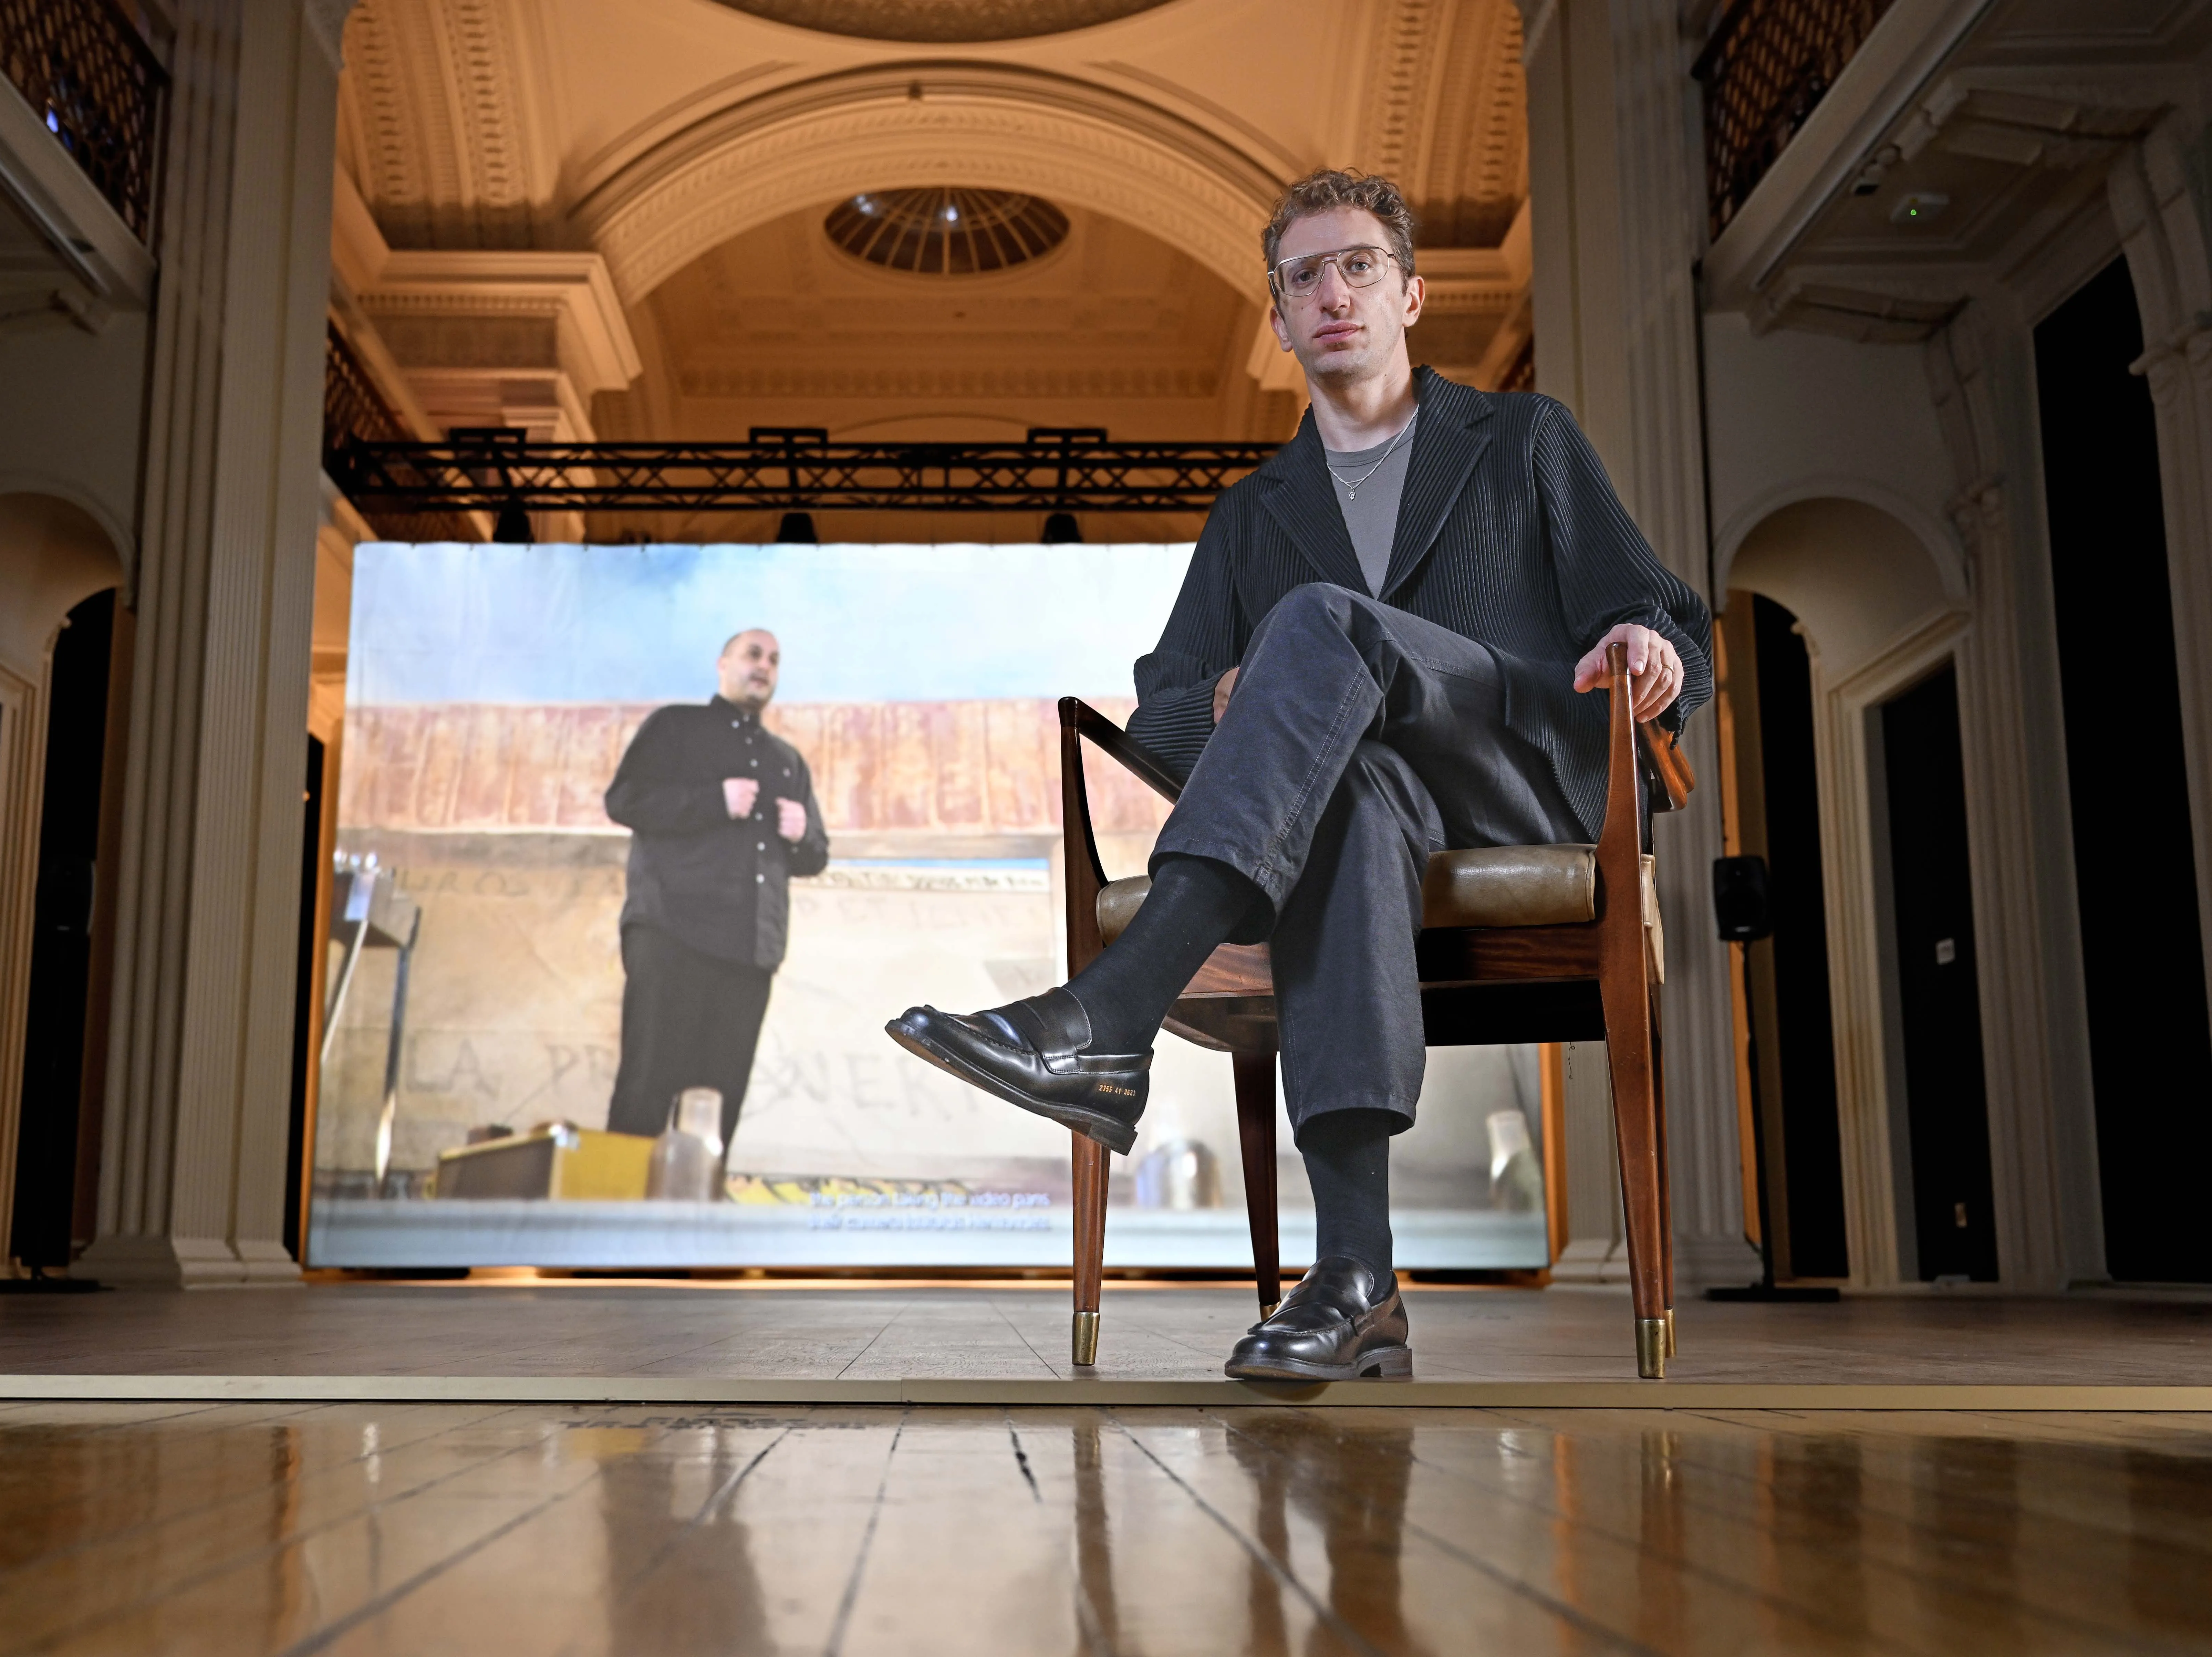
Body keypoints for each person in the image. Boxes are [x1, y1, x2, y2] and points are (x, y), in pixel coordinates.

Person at [888, 170, 1710, 1380]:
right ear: (1276, 318)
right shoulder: (1250, 513)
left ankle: (1108, 1015)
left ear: (1410, 293)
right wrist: (1229, 698)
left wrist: (1648, 649)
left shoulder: (1522, 439)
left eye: (1358, 266)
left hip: (1514, 770)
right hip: (1375, 806)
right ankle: (1356, 1280)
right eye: (1304, 276)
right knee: (1347, 799)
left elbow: (1662, 616)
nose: (1332, 292)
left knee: (1324, 625)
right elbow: (1162, 713)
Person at [606, 628, 828, 1151]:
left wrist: (803, 835)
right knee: (647, 1085)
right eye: (753, 654)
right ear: (722, 663)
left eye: (775, 659)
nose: (765, 666)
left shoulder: (787, 760)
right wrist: (713, 800)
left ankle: (695, 1224)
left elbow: (815, 855)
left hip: (751, 952)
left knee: (717, 1105)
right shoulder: (676, 726)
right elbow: (625, 800)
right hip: (671, 936)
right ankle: (612, 1222)